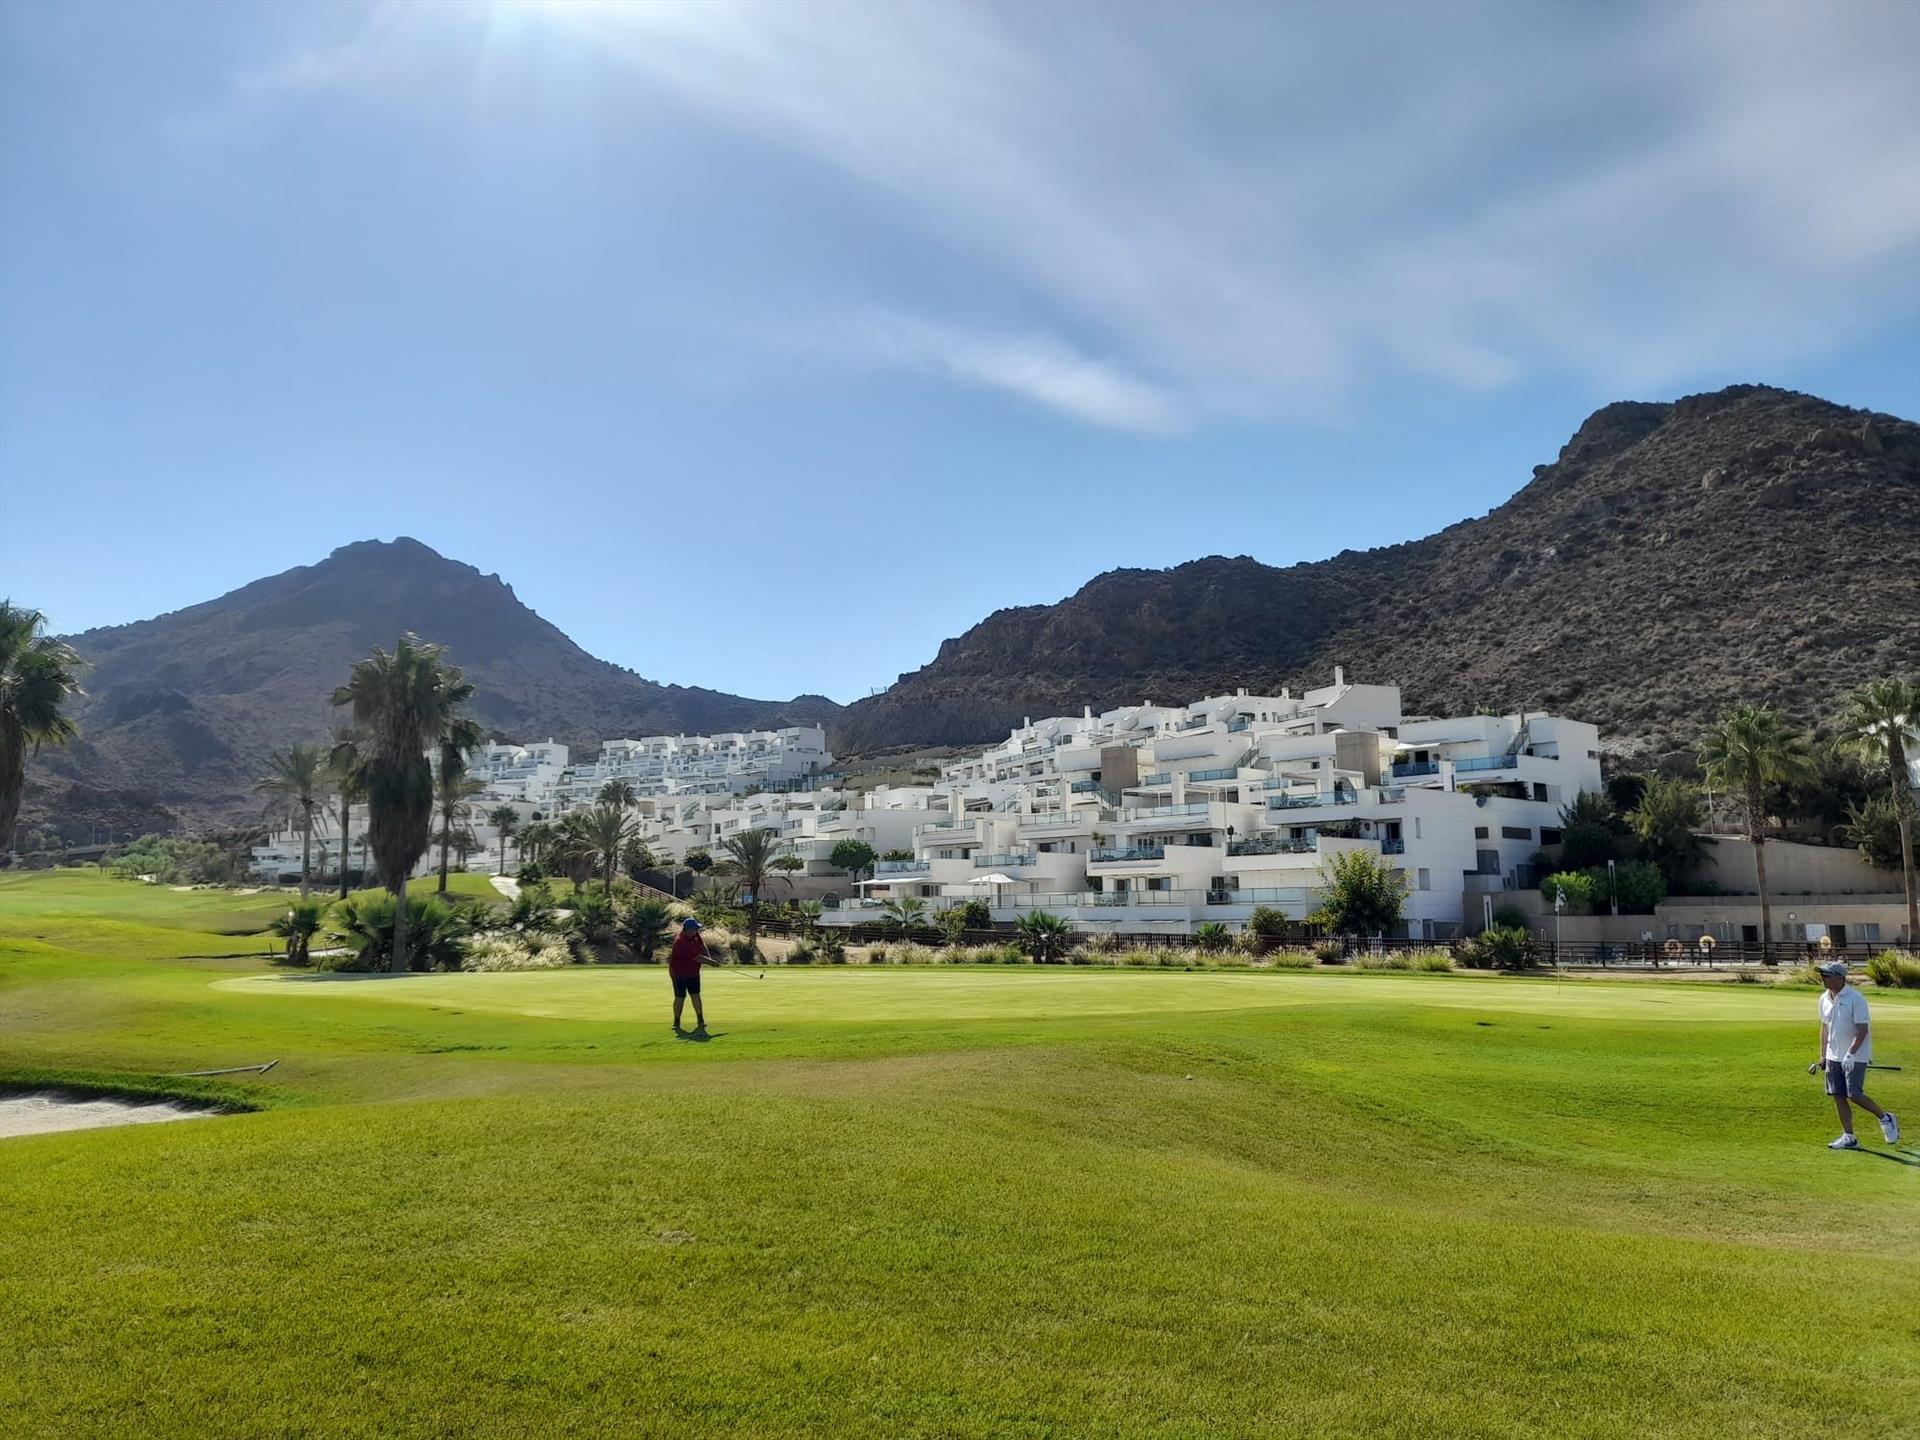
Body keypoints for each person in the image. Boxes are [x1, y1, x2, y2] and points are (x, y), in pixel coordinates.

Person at [1808, 960, 1898, 1150]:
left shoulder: (1855, 999)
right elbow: (1825, 1028)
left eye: (1827, 975)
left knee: (1854, 1094)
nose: (1823, 978)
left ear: (1840, 978)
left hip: (1855, 1056)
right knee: (1837, 1094)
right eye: (1822, 975)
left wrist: (1850, 1054)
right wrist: (1823, 1055)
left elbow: (1862, 1029)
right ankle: (1849, 1136)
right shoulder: (1823, 998)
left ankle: (1886, 1118)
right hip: (1833, 1056)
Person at [667, 917, 714, 1037]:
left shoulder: (695, 936)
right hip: (679, 974)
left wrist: (709, 957)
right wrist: (711, 962)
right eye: (695, 929)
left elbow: (702, 946)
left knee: (696, 995)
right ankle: (676, 1022)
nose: (697, 931)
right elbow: (697, 957)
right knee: (680, 997)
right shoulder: (681, 942)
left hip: (693, 972)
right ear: (688, 929)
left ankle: (700, 1020)